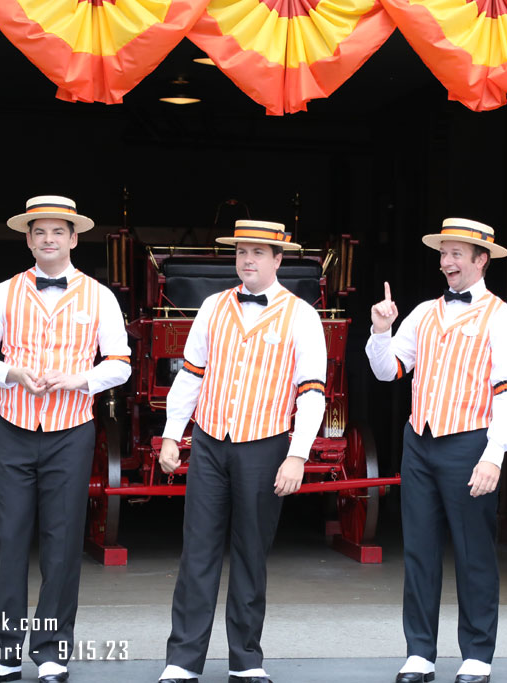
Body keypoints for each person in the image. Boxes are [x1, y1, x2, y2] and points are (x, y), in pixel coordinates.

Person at [0, 195, 132, 683]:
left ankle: (53, 651)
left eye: (58, 232)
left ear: (74, 238)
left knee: (62, 543)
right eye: (40, 232)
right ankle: (5, 651)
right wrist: (11, 372)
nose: (49, 240)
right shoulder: (5, 291)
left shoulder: (99, 296)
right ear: (29, 238)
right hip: (12, 427)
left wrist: (80, 379)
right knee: (10, 540)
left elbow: (119, 365)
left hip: (71, 431)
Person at [156, 220, 327, 683]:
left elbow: (312, 392)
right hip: (211, 442)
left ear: (278, 260)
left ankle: (246, 660)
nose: (248, 259)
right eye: (241, 252)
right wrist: (173, 433)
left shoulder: (302, 315)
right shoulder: (213, 306)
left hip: (266, 444)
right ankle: (182, 661)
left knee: (251, 553)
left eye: (258, 252)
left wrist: (298, 455)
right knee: (198, 552)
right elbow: (190, 376)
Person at [367, 218, 507, 683]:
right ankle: (420, 652)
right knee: (418, 549)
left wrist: (495, 455)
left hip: (471, 443)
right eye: (444, 253)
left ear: (482, 260)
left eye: (457, 253)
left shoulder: (503, 317)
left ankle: (477, 654)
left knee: (475, 551)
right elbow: (387, 371)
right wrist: (381, 331)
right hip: (419, 441)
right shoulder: (420, 313)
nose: (447, 262)